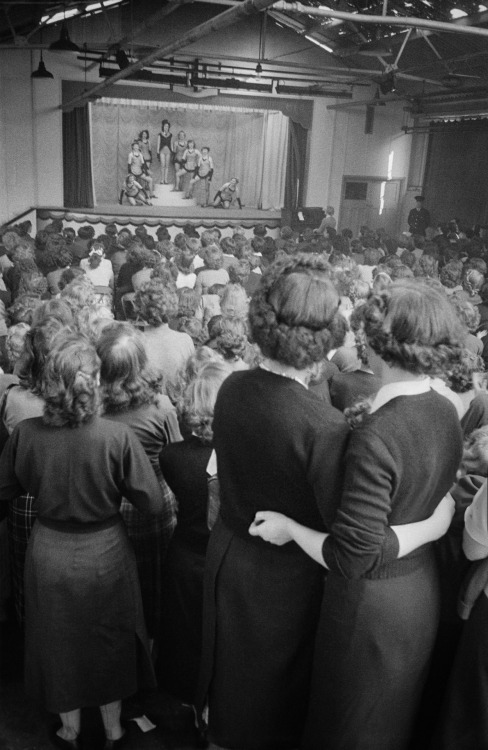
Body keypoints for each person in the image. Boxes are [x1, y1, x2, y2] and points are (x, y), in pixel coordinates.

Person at [250, 280, 465, 750]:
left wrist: (290, 528)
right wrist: (432, 525)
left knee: (345, 728)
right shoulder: (445, 410)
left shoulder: (378, 434)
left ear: (376, 345)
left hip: (370, 607)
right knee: (387, 723)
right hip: (419, 594)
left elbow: (354, 555)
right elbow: (435, 494)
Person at [196, 254, 350, 750]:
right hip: (283, 579)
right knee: (269, 704)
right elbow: (340, 529)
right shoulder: (323, 426)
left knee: (228, 684)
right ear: (325, 339)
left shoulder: (233, 386)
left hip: (228, 554)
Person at [0, 331, 165, 749]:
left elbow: (5, 489)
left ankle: (69, 729)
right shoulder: (116, 437)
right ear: (94, 383)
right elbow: (151, 503)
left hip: (49, 551)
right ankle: (112, 729)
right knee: (108, 639)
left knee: (57, 641)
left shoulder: (26, 433)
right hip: (105, 551)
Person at [97, 322, 182, 640]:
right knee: (154, 583)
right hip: (154, 504)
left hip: (108, 505)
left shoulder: (93, 410)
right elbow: (176, 462)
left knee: (118, 586)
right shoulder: (161, 409)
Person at [157, 360, 231, 708]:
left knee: (187, 638)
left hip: (186, 556)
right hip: (227, 559)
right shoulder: (241, 458)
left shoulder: (172, 456)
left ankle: (189, 702)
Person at [157, 119, 173, 185]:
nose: (166, 127)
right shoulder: (160, 134)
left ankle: (166, 180)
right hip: (162, 151)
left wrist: (172, 151)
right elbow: (158, 143)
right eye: (165, 126)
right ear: (163, 127)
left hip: (168, 151)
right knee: (162, 165)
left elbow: (171, 144)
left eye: (167, 126)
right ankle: (162, 179)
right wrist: (157, 152)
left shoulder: (170, 135)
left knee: (167, 166)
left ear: (169, 127)